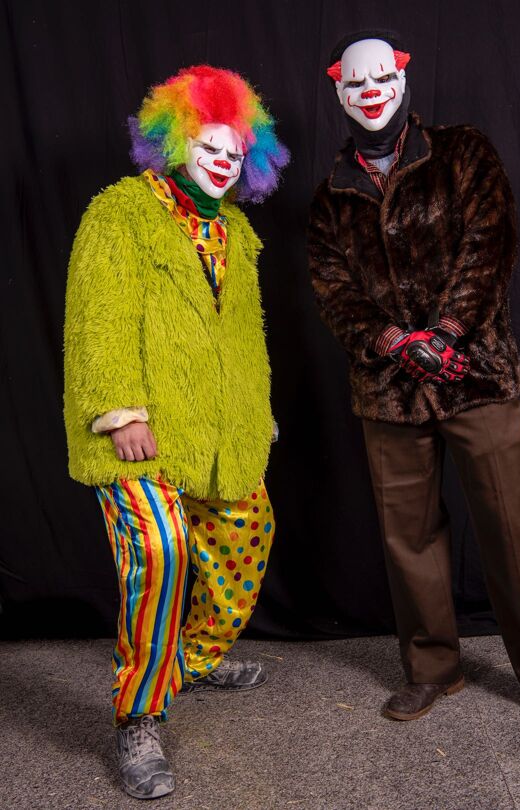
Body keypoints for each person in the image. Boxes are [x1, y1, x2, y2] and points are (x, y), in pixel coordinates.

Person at [308, 30, 520, 736]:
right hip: (388, 390)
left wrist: (448, 332)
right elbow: (335, 291)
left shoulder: (463, 152)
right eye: (355, 83)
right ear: (338, 91)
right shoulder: (329, 197)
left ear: (402, 80)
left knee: (509, 526)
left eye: (381, 79)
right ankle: (432, 668)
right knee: (409, 535)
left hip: (475, 376)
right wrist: (393, 342)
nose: (370, 93)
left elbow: (490, 243)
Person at [64, 64, 289, 799]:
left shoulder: (237, 232)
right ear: (174, 143)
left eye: (235, 152)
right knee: (161, 552)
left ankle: (190, 660)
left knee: (248, 532)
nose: (222, 161)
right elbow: (97, 315)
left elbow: (245, 336)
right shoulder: (122, 211)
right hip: (138, 432)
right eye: (208, 146)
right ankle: (140, 714)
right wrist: (120, 410)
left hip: (218, 430)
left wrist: (254, 414)